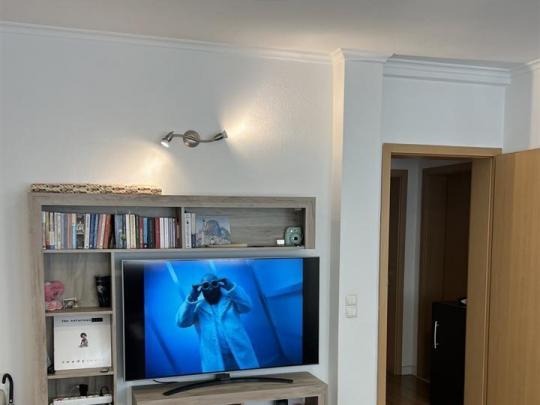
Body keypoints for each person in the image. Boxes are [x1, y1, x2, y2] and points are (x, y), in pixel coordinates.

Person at [176, 274, 259, 372]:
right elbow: (182, 322)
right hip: (215, 360)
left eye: (214, 283)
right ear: (201, 288)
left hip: (241, 354)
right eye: (205, 285)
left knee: (247, 378)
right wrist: (192, 297)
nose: (210, 288)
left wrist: (230, 286)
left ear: (219, 285)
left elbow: (247, 307)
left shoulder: (231, 298)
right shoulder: (197, 306)